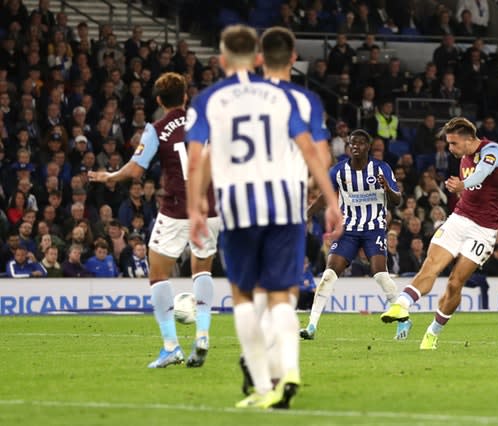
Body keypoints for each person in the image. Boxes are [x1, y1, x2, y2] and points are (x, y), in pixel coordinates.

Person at [185, 25, 342, 409]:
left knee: (244, 296)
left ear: (222, 61)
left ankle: (261, 381)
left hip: (238, 206)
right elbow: (314, 152)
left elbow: (199, 157)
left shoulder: (213, 100)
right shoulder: (290, 99)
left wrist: (195, 208)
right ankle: (285, 367)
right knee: (281, 296)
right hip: (287, 203)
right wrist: (331, 199)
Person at [89, 72, 221, 369]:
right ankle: (202, 333)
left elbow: (135, 171)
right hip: (210, 208)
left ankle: (171, 346)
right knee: (202, 269)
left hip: (176, 209)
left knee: (158, 275)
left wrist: (109, 176)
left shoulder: (157, 129)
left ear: (159, 100)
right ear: (186, 96)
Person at [380, 117, 498, 350]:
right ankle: (402, 304)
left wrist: (462, 185)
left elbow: (482, 173)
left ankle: (433, 332)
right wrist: (461, 188)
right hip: (458, 219)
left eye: (454, 143)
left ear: (469, 140)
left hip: (484, 230)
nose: (450, 148)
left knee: (455, 282)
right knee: (430, 265)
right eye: (448, 143)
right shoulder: (463, 156)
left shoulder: (493, 150)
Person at [300, 128, 405, 340]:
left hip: (374, 227)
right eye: (352, 143)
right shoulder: (339, 171)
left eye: (360, 143)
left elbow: (397, 201)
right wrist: (307, 214)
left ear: (368, 147)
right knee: (329, 274)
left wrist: (387, 188)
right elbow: (325, 197)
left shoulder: (381, 169)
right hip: (348, 228)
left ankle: (403, 320)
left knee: (380, 274)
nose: (356, 147)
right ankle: (311, 326)